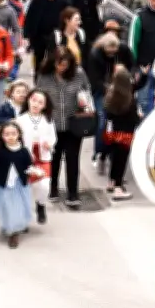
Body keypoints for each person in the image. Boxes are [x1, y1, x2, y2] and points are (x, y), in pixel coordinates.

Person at [34, 47, 91, 209]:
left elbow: (87, 90)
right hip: (52, 124)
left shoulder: (78, 74)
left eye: (65, 65)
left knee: (73, 159)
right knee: (53, 158)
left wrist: (84, 100)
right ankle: (53, 189)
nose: (62, 68)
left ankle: (73, 193)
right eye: (59, 64)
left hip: (73, 123)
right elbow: (38, 96)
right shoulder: (45, 76)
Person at [87, 24, 134, 172]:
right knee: (103, 121)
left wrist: (128, 78)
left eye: (114, 52)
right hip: (103, 90)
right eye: (109, 53)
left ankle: (114, 155)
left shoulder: (124, 50)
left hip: (121, 89)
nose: (112, 55)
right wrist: (109, 89)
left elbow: (132, 66)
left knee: (121, 123)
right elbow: (95, 79)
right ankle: (99, 153)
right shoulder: (95, 54)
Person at [0, 121, 35, 249]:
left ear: (19, 135)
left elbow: (29, 165)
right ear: (2, 137)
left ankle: (15, 230)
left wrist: (33, 171)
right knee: (8, 207)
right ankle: (12, 229)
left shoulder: (24, 151)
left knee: (19, 207)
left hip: (19, 184)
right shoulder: (0, 152)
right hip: (4, 185)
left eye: (13, 133)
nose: (10, 136)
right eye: (6, 134)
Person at [15, 88, 56, 225]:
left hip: (43, 156)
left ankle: (41, 204)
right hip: (26, 157)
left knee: (44, 185)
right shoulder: (20, 119)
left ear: (44, 105)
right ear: (28, 100)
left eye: (40, 102)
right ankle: (22, 215)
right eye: (34, 100)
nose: (36, 104)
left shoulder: (48, 120)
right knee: (25, 186)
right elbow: (15, 138)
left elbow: (53, 137)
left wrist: (49, 144)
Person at [103, 65, 143, 201]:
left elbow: (108, 113)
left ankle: (111, 181)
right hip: (126, 134)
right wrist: (139, 115)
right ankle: (118, 188)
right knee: (122, 160)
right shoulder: (129, 99)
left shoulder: (111, 94)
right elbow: (134, 119)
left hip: (113, 132)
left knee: (114, 158)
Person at [24, 0, 70, 78]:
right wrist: (27, 35)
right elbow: (29, 17)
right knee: (38, 60)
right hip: (38, 36)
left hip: (54, 37)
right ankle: (38, 81)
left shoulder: (63, 3)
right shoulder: (37, 0)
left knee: (53, 60)